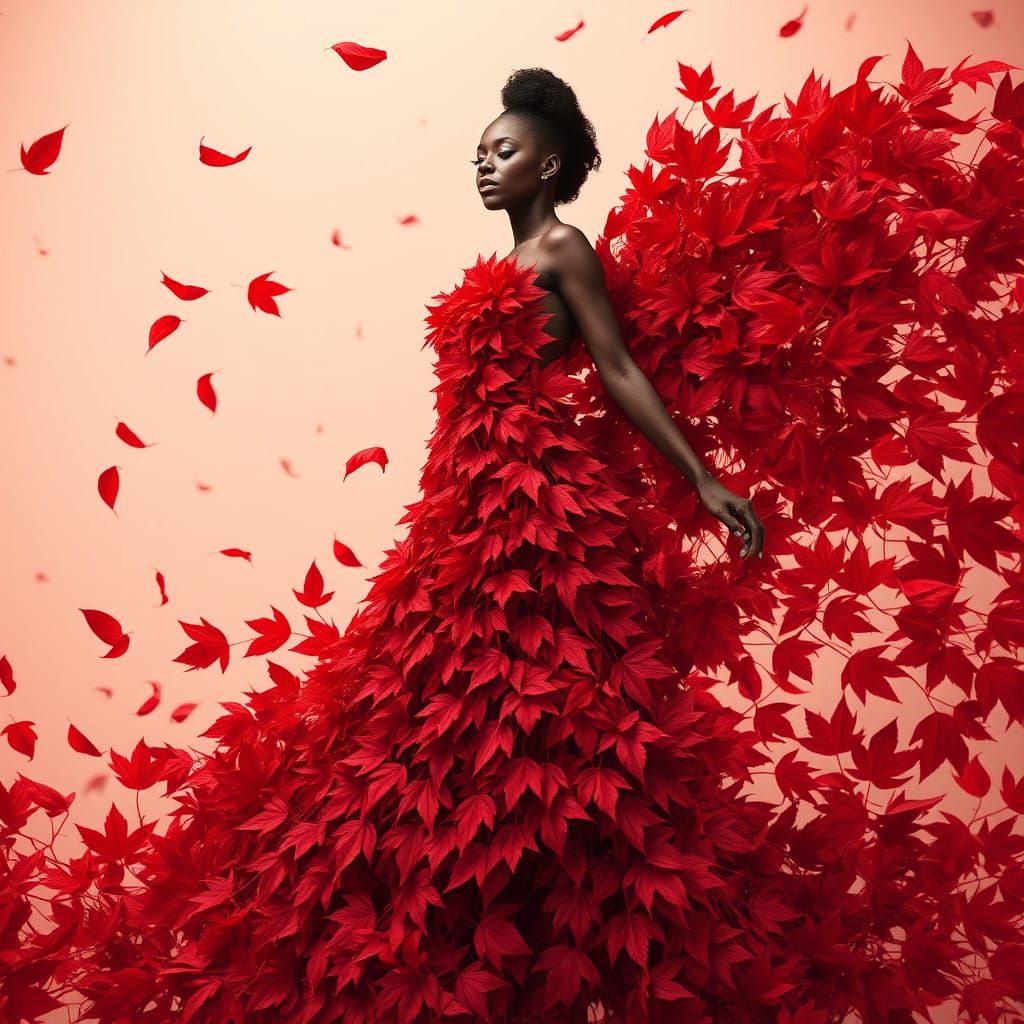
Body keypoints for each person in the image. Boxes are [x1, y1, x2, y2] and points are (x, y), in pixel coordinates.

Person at [7, 60, 1024, 1024]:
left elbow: (617, 371)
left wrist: (701, 477)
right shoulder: (504, 262)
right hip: (462, 508)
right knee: (430, 718)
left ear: (549, 164)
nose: (483, 161)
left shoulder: (562, 252)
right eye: (479, 150)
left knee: (554, 712)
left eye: (502, 149)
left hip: (542, 515)